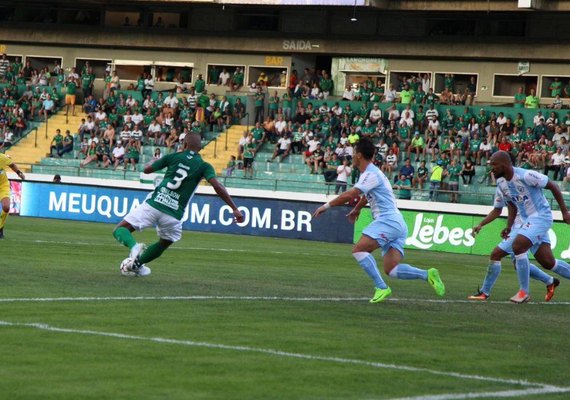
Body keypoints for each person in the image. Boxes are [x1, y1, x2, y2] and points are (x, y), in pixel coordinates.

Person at [312, 138, 445, 303]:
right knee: (392, 269)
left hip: (387, 220)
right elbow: (367, 196)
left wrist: (326, 206)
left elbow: (350, 194)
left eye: (354, 153)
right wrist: (357, 208)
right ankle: (427, 274)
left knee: (359, 250)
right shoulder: (371, 173)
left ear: (359, 155)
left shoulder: (370, 174)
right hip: (397, 223)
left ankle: (381, 287)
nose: (352, 156)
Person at [113, 133, 244, 276]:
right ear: (200, 148)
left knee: (120, 230)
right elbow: (217, 186)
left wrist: (153, 161)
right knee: (165, 242)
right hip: (174, 214)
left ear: (184, 145)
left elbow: (147, 170)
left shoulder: (173, 157)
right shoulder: (204, 166)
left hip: (155, 204)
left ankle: (134, 248)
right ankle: (137, 264)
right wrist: (234, 209)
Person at [488, 151, 570, 303]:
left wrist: (565, 212)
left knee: (518, 246)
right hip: (526, 221)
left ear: (504, 164)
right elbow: (512, 205)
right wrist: (509, 226)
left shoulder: (526, 175)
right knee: (548, 262)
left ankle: (523, 292)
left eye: (494, 164)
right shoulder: (502, 183)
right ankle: (546, 283)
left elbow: (553, 186)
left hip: (541, 217)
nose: (491, 168)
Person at [468, 193, 559, 302]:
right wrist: (481, 224)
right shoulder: (501, 186)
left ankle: (485, 292)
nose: (493, 175)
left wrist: (509, 227)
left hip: (526, 226)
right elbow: (497, 210)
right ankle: (550, 281)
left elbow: (516, 207)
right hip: (519, 227)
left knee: (496, 254)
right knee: (519, 263)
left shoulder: (518, 181)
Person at [0, 153, 26, 239]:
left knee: (6, 207)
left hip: (3, 186)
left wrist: (19, 173)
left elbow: (12, 165)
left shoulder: (2, 157)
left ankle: (0, 228)